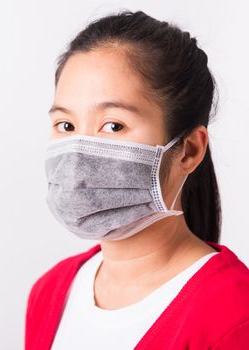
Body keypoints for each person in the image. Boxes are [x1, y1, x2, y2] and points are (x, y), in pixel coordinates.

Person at [25, 10, 249, 350]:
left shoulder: (234, 316)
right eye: (66, 126)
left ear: (188, 150)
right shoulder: (50, 290)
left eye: (113, 125)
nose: (78, 152)